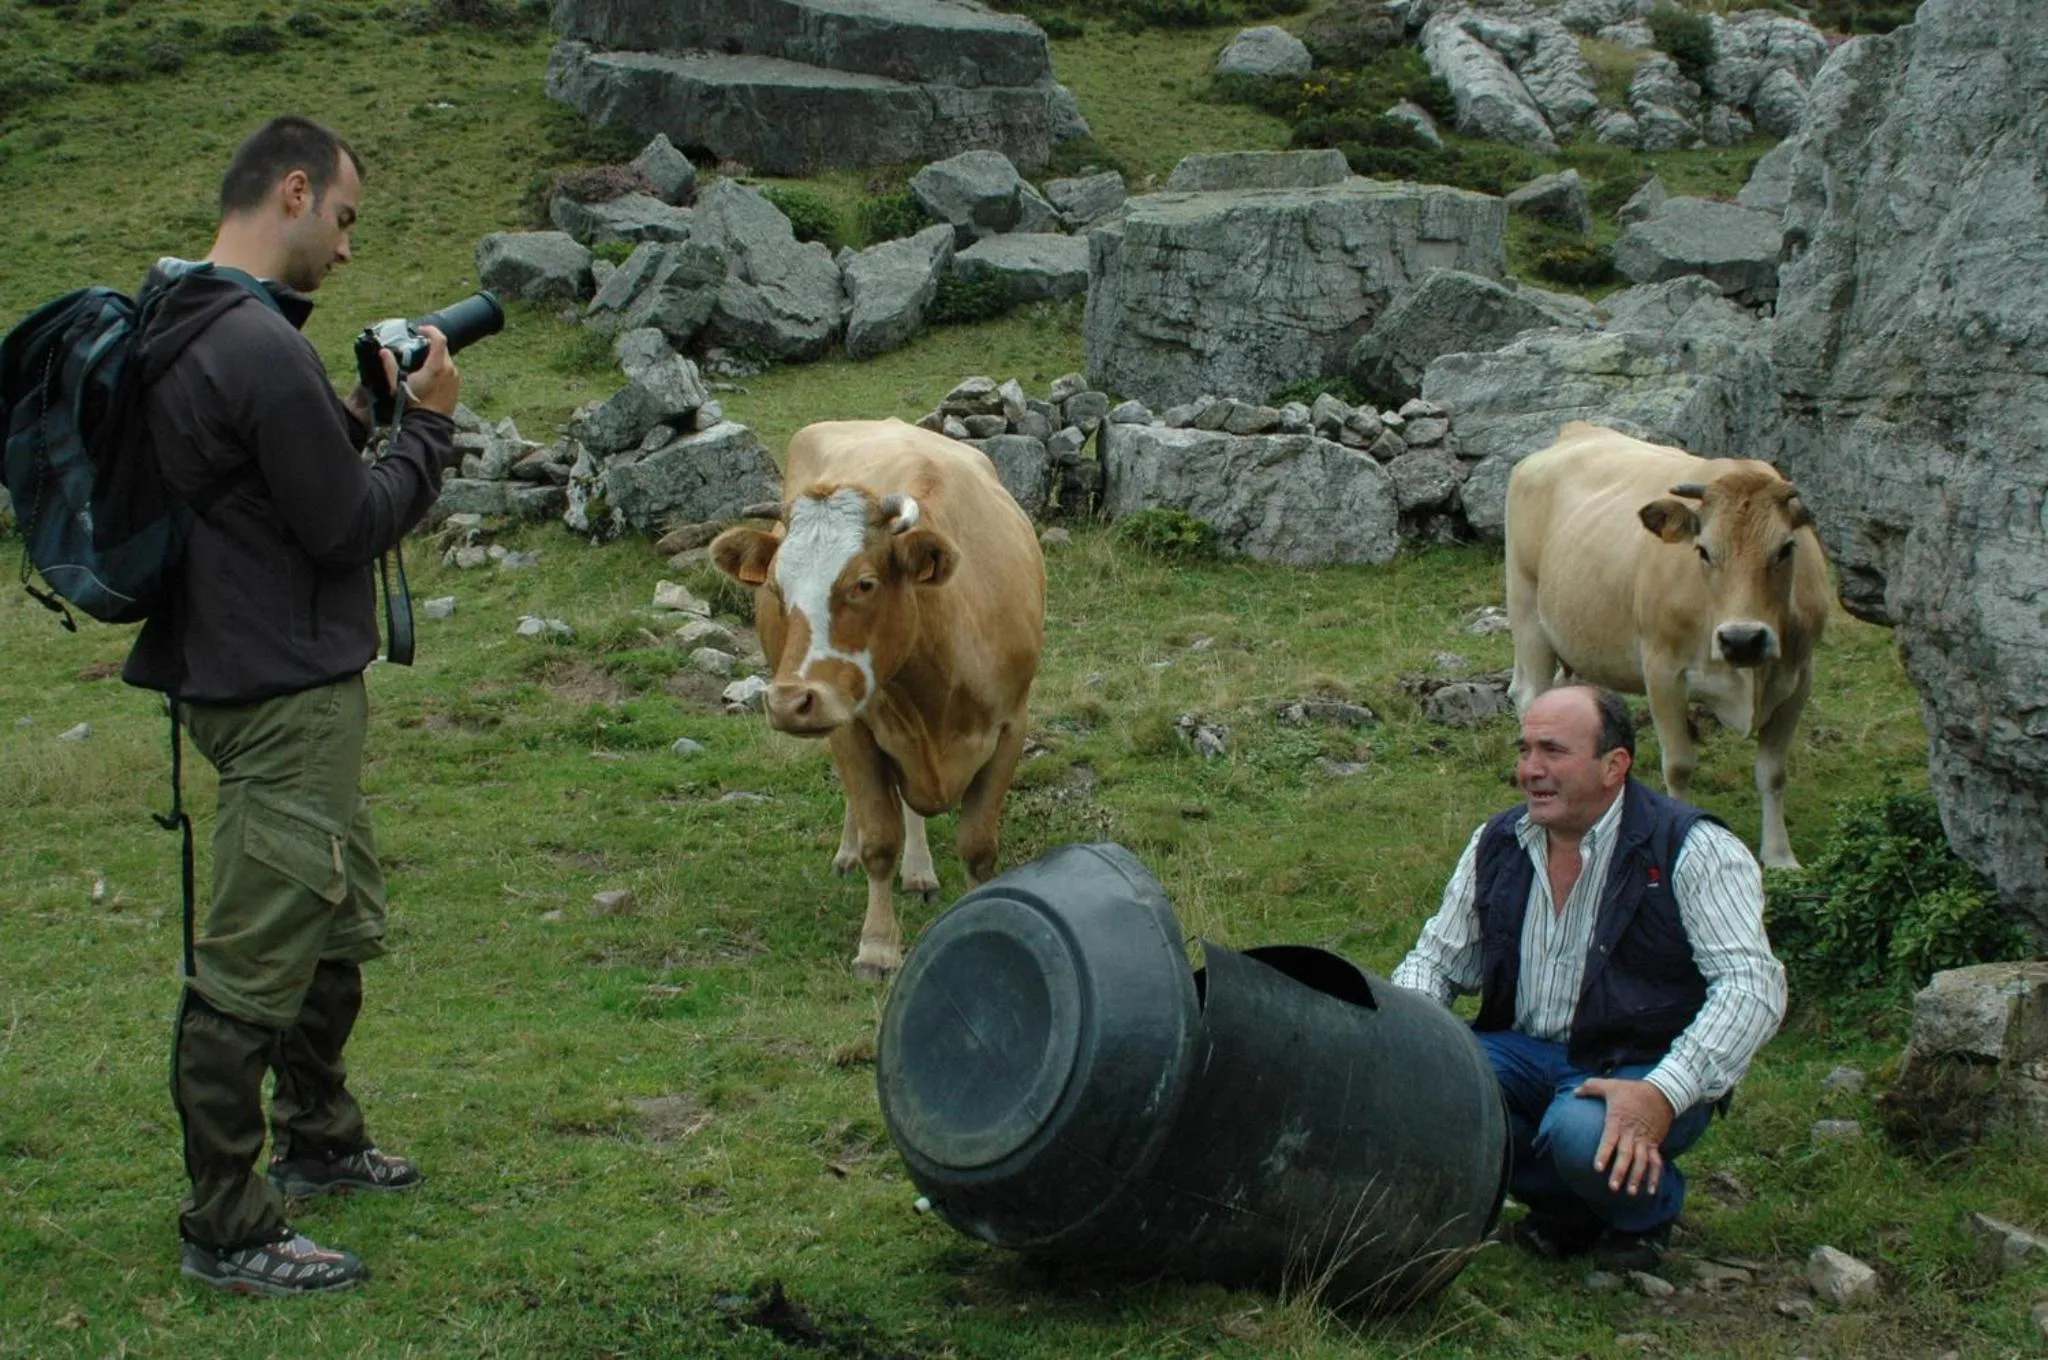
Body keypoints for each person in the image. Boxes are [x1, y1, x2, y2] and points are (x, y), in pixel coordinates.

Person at [120, 115, 461, 1296]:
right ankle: (229, 1223)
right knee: (252, 964)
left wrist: (358, 412)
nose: (349, 248)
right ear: (296, 191)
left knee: (327, 922)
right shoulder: (256, 345)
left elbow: (261, 488)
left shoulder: (186, 315)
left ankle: (320, 1134)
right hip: (279, 693)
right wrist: (431, 426)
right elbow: (347, 527)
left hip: (237, 664)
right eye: (346, 220)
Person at [1391, 685, 1786, 1272]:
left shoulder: (1693, 848)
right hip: (1522, 1054)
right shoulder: (1498, 842)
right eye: (1525, 750)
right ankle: (1573, 1206)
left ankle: (1645, 1214)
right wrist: (1404, 1043)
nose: (1530, 770)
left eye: (1552, 751)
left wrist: (1663, 1091)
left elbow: (1752, 986)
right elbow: (1437, 959)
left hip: (1638, 1063)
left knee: (1579, 1132)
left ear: (1613, 766)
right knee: (1420, 1087)